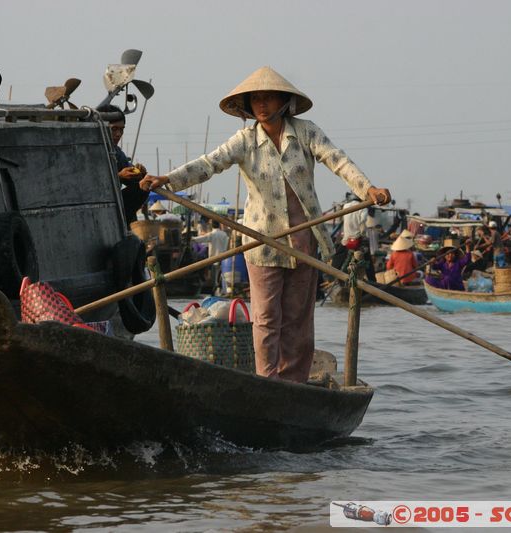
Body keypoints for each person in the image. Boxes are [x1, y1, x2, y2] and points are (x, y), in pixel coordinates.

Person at [139, 66, 391, 383]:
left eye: (268, 98)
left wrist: (368, 189)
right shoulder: (245, 141)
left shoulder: (305, 132)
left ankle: (294, 384)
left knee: (298, 320)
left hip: (303, 240)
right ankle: (267, 381)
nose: (261, 105)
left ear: (284, 101)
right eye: (256, 99)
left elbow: (337, 160)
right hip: (261, 241)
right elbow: (209, 164)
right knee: (266, 317)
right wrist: (168, 181)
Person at [98, 104, 149, 225]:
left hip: (113, 205)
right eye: (114, 129)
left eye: (121, 129)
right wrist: (119, 177)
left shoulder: (116, 152)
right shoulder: (88, 150)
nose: (118, 134)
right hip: (96, 205)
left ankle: (125, 227)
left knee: (142, 187)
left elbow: (130, 174)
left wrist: (139, 173)